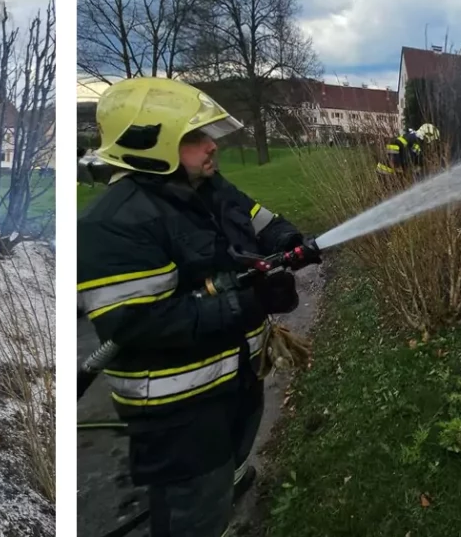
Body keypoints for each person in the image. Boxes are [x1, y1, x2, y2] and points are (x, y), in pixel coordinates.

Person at [77, 76, 318, 537]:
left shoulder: (205, 187)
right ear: (150, 142)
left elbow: (255, 217)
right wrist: (253, 302)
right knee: (192, 514)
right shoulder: (112, 224)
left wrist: (286, 240)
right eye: (195, 137)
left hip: (236, 377)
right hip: (180, 412)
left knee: (231, 462)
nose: (212, 146)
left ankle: (228, 488)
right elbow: (138, 325)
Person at [375, 123, 440, 177]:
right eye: (433, 140)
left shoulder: (413, 139)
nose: (431, 143)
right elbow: (393, 145)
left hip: (388, 172)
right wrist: (397, 165)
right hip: (387, 172)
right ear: (427, 136)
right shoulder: (414, 140)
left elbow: (414, 160)